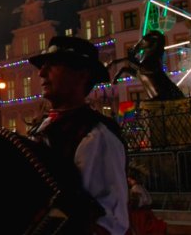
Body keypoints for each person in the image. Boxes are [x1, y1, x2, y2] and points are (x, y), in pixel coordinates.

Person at [27, 36, 129, 234]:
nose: (41, 73)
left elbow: (110, 222)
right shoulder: (43, 129)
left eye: (53, 65)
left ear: (82, 74)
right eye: (42, 66)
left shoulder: (96, 137)